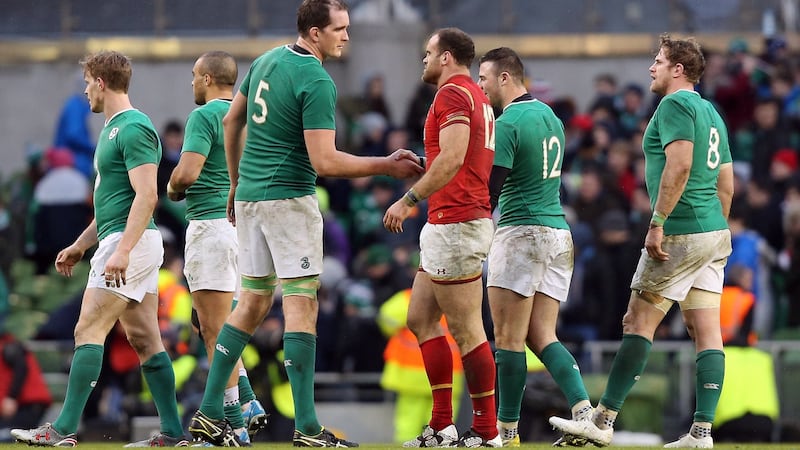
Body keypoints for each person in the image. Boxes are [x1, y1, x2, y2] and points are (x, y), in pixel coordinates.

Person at [187, 1, 422, 447]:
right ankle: (308, 427)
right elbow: (325, 161)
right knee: (301, 306)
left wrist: (236, 184)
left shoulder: (266, 60)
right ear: (315, 33)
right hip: (289, 201)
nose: (346, 36)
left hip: (252, 200)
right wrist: (385, 166)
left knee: (252, 304)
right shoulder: (316, 79)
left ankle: (209, 410)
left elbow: (233, 120)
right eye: (340, 29)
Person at [549, 33, 734, 449]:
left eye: (658, 60)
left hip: (682, 230)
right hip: (713, 231)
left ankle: (602, 420)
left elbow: (681, 163)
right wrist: (717, 225)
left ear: (678, 69)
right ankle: (701, 433)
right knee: (705, 330)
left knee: (638, 321)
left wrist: (658, 221)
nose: (651, 67)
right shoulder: (711, 111)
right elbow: (726, 182)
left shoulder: (673, 104)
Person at [11, 50, 188, 448]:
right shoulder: (113, 130)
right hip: (122, 238)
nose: (86, 90)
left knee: (88, 328)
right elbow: (114, 205)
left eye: (88, 82)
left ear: (101, 82)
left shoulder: (135, 128)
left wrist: (122, 251)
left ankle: (62, 430)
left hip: (132, 242)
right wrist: (79, 245)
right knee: (144, 339)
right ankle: (174, 433)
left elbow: (147, 197)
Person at [383, 27, 499, 448]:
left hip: (457, 221)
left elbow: (452, 157)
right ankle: (442, 425)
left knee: (468, 330)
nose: (424, 60)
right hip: (452, 219)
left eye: (428, 53)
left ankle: (487, 432)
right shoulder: (475, 96)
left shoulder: (452, 94)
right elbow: (454, 157)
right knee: (419, 318)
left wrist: (408, 199)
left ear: (447, 57)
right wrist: (427, 166)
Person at [476, 47, 593, 447]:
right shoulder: (552, 118)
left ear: (505, 77)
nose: (481, 86)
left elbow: (492, 188)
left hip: (521, 232)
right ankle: (584, 412)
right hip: (558, 233)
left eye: (485, 78)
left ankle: (505, 434)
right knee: (542, 335)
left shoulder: (508, 122)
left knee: (507, 338)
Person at [166, 51, 268, 446]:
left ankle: (234, 422)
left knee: (213, 331)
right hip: (247, 230)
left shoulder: (204, 116)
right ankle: (247, 405)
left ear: (208, 79)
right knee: (220, 327)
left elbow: (188, 172)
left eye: (194, 75)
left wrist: (173, 187)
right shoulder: (253, 119)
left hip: (211, 224)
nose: (191, 82)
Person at [0, 326, 52, 443]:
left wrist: (11, 397)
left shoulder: (8, 346)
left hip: (27, 405)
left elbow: (21, 367)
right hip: (24, 406)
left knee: (7, 435)